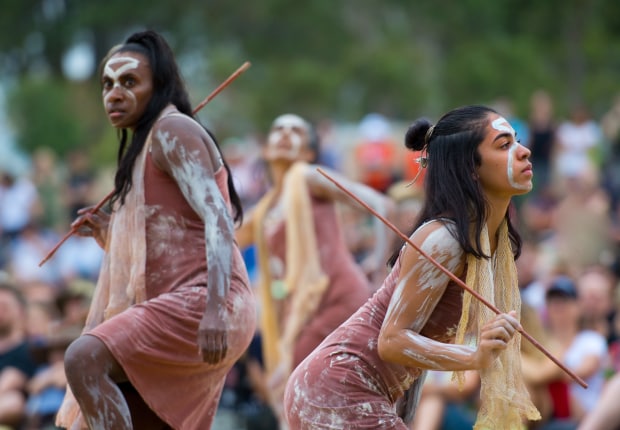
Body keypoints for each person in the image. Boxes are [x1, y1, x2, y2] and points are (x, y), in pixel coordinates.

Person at [284, 104, 542, 429]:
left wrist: (403, 416)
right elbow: (392, 341)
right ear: (469, 168)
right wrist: (474, 357)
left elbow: (414, 356)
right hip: (336, 389)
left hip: (349, 391)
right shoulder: (445, 239)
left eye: (516, 141)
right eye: (504, 145)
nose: (523, 151)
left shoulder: (484, 241)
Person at [55, 30, 256, 430]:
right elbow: (169, 240)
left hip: (206, 302)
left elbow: (218, 218)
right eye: (107, 84)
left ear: (159, 86)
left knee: (84, 358)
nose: (114, 94)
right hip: (185, 304)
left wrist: (215, 308)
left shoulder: (172, 131)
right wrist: (110, 233)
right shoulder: (145, 145)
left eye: (129, 82)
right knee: (136, 416)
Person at [235, 113, 395, 426]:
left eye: (295, 131)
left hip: (339, 300)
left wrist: (378, 266)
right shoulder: (266, 208)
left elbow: (381, 205)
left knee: (294, 386)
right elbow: (226, 240)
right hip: (302, 312)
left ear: (309, 152)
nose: (285, 134)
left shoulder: (308, 177)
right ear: (266, 149)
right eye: (278, 129)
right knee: (298, 394)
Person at [0, 280, 38, 428]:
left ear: (20, 311)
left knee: (13, 401)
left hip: (16, 413)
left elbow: (10, 382)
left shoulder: (31, 348)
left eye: (4, 307)